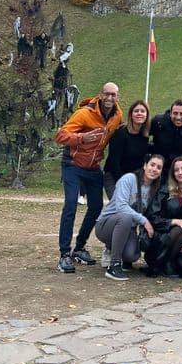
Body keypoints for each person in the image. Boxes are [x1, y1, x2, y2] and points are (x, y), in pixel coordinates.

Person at [54, 82, 123, 274]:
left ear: (118, 97)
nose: (110, 98)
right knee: (70, 204)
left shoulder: (117, 116)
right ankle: (64, 254)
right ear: (100, 95)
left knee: (96, 207)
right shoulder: (84, 114)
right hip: (73, 164)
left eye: (114, 95)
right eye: (107, 94)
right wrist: (81, 138)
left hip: (93, 167)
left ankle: (79, 248)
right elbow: (60, 136)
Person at [94, 154, 161, 281]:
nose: (154, 169)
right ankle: (114, 266)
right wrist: (143, 220)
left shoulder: (154, 189)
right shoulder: (129, 179)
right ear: (145, 165)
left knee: (132, 255)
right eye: (152, 165)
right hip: (106, 225)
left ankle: (113, 248)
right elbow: (121, 206)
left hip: (128, 229)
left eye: (158, 167)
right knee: (125, 217)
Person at [147, 156, 182, 276]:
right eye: (176, 170)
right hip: (163, 236)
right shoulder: (165, 190)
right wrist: (174, 221)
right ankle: (164, 262)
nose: (180, 172)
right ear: (173, 173)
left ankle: (168, 262)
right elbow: (153, 217)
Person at [103, 100, 151, 198]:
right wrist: (124, 183)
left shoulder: (145, 136)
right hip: (114, 176)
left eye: (142, 111)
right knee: (119, 204)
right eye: (136, 111)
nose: (139, 113)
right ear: (131, 114)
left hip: (133, 178)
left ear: (146, 115)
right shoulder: (121, 133)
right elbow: (113, 162)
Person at [149, 100, 182, 177]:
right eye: (175, 113)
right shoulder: (159, 122)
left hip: (181, 171)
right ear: (170, 113)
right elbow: (142, 132)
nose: (178, 117)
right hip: (159, 169)